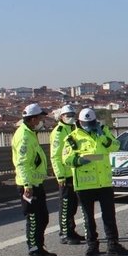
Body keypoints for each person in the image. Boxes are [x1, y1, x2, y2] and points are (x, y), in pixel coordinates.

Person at [62, 108, 128, 256]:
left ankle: (113, 245)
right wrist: (79, 160)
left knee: (109, 216)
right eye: (86, 123)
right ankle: (92, 245)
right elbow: (66, 159)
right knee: (88, 218)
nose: (89, 125)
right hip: (85, 184)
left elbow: (116, 146)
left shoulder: (103, 132)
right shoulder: (72, 138)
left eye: (91, 123)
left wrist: (102, 137)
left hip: (104, 182)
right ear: (80, 122)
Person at [12, 103, 55, 256]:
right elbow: (22, 163)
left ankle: (40, 247)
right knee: (33, 219)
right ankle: (33, 252)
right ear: (33, 119)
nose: (42, 121)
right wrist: (27, 186)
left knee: (42, 217)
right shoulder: (23, 136)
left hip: (36, 182)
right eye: (41, 118)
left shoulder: (30, 133)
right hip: (28, 185)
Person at [50, 104, 84, 245]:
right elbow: (55, 156)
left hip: (74, 172)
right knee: (65, 205)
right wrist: (60, 176)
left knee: (73, 205)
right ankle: (64, 233)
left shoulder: (74, 129)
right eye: (67, 115)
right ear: (61, 117)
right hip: (65, 173)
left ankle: (71, 230)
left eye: (72, 115)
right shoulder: (59, 132)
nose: (70, 118)